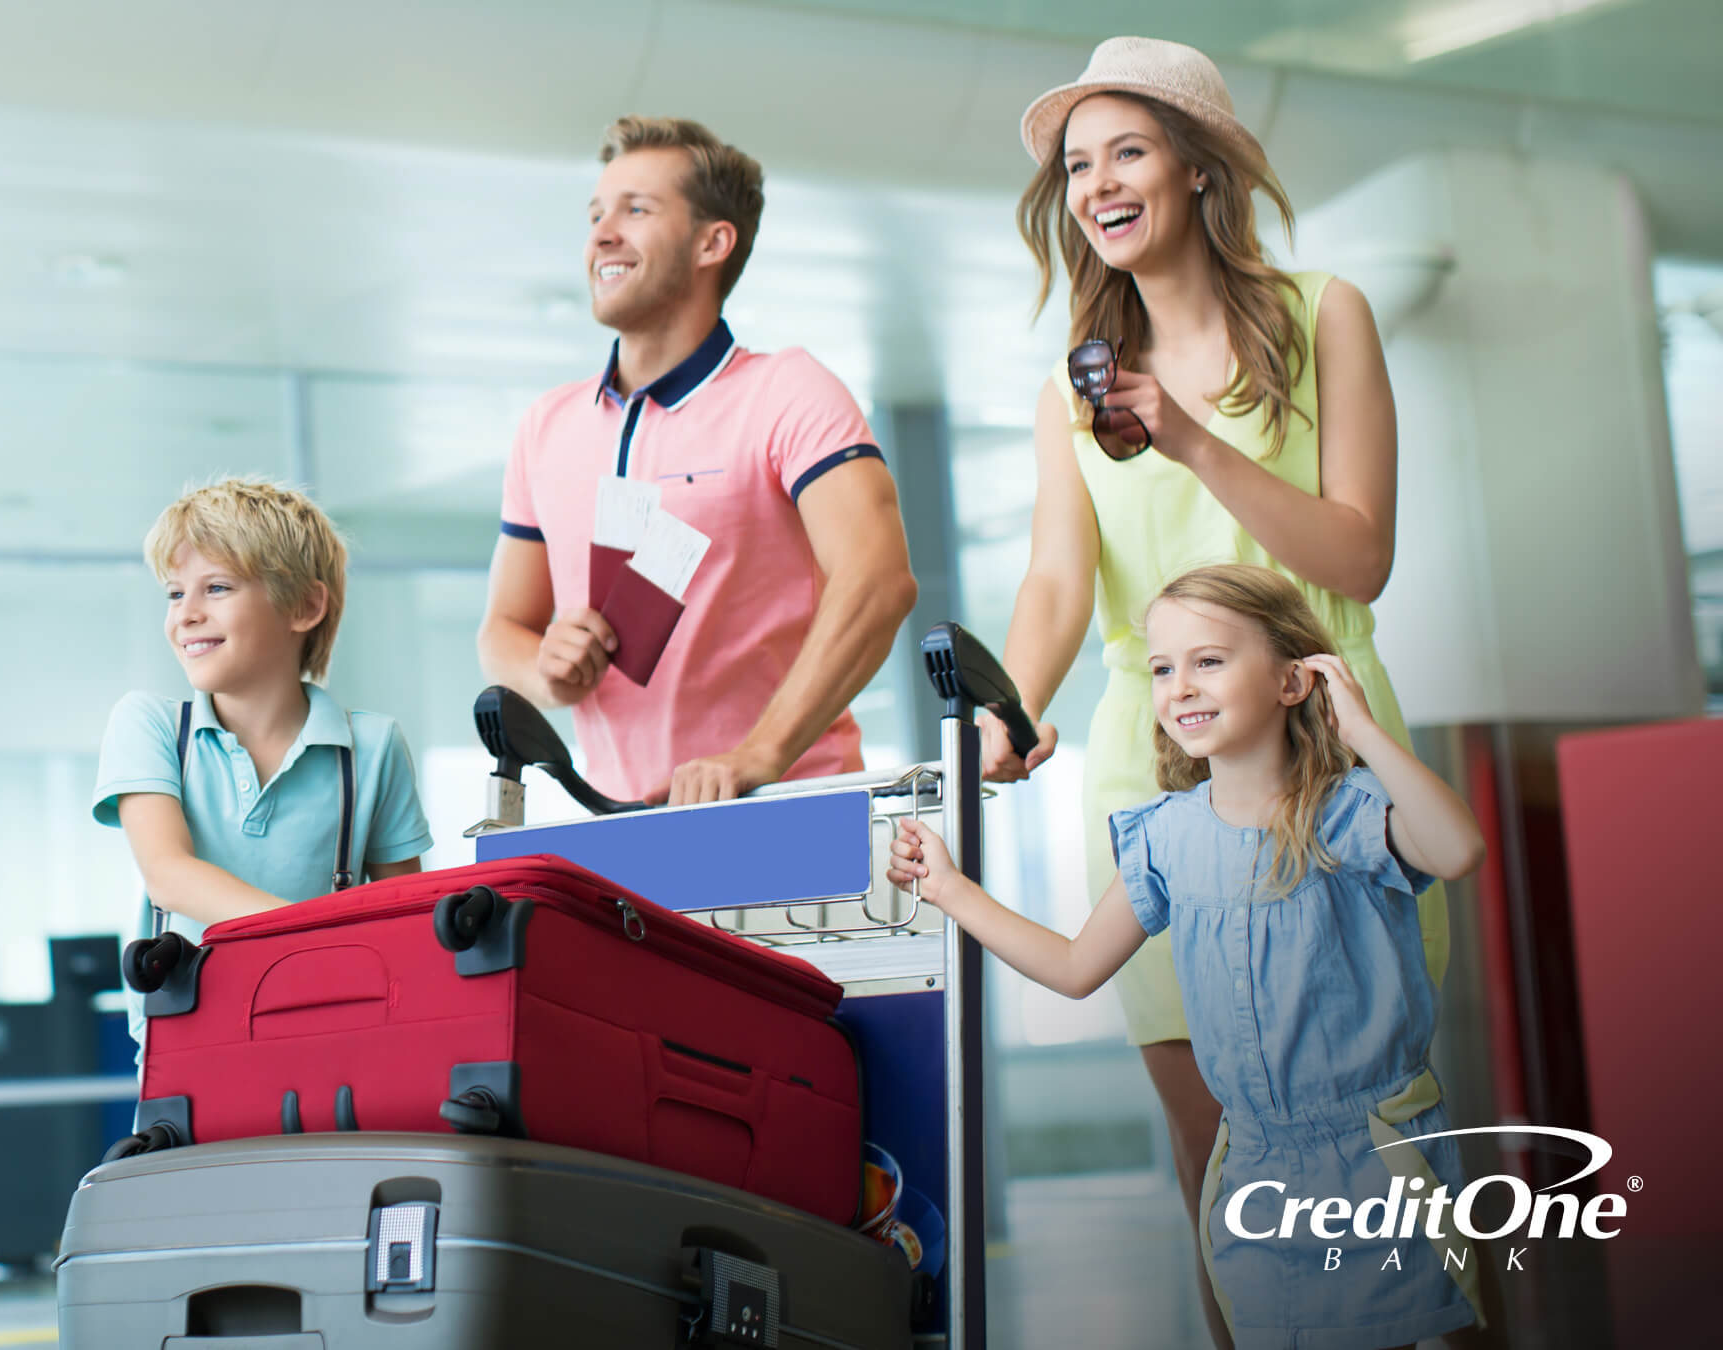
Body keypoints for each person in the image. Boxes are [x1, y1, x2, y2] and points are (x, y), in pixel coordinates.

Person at [989, 36, 1444, 1346]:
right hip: (1156, 766)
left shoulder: (1323, 315)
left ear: (1196, 166)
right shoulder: (1071, 389)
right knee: (1219, 1157)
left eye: (1126, 149)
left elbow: (1360, 551)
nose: (1096, 183)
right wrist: (1013, 707)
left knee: (1378, 1139)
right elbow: (1057, 589)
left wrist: (1189, 435)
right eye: (1077, 164)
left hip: (1320, 743)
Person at [892, 565, 1488, 1350]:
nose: (1179, 687)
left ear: (1291, 679)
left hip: (1372, 1159)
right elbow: (1075, 968)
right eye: (1162, 669)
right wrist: (950, 889)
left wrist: (1364, 732)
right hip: (1251, 1171)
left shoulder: (1349, 811)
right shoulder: (1165, 836)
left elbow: (1459, 849)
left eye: (1208, 660)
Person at [479, 115, 916, 806]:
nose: (602, 233)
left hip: (783, 808)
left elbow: (879, 581)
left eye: (636, 209)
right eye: (596, 213)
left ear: (713, 241)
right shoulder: (547, 426)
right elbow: (503, 628)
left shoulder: (787, 391)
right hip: (617, 828)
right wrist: (546, 671)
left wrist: (758, 755)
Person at [92, 477, 434, 1044]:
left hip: (332, 1042)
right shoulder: (149, 725)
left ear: (304, 606)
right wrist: (317, 944)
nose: (187, 615)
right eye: (176, 594)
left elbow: (402, 922)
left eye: (217, 587)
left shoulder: (373, 748)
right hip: (187, 1058)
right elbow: (169, 876)